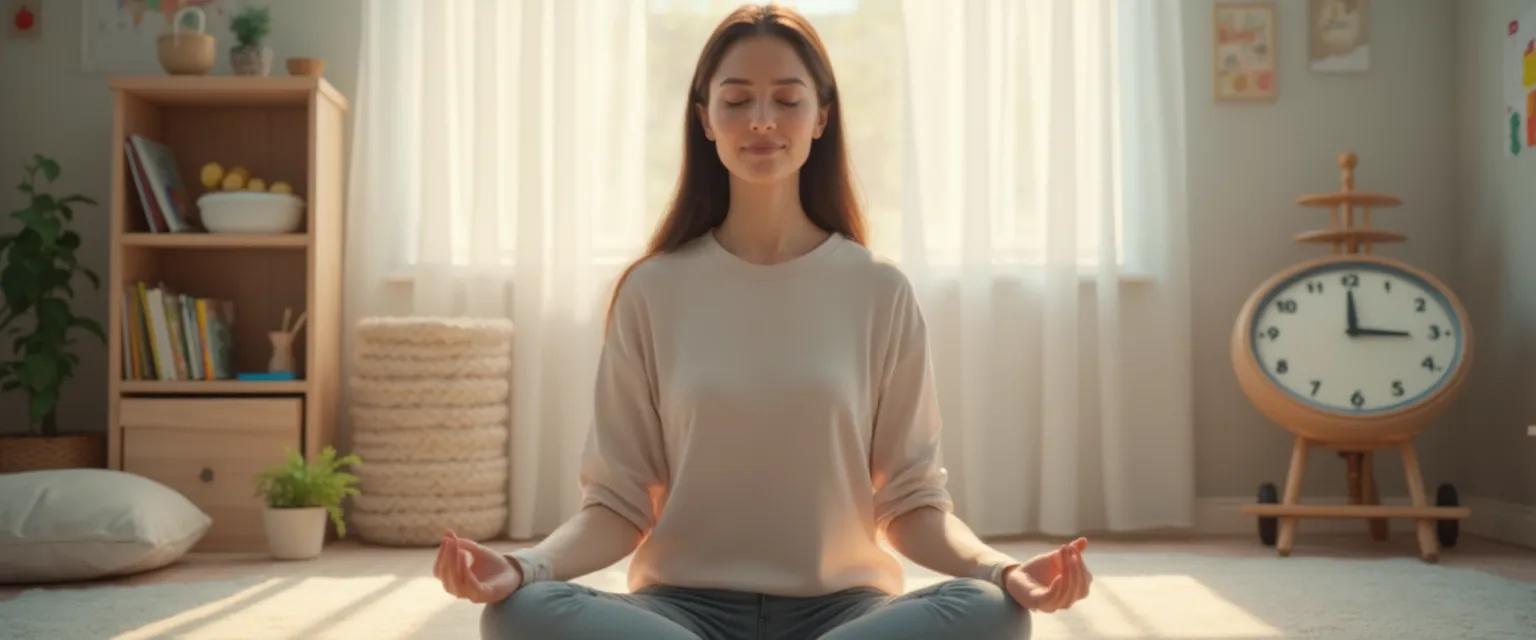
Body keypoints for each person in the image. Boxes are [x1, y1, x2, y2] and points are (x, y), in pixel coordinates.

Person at [435, 4, 1093, 638]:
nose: (761, 120)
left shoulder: (878, 290)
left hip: (844, 611)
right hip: (679, 612)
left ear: (821, 118)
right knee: (521, 612)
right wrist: (527, 566)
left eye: (786, 98)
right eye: (736, 98)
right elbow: (619, 502)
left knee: (990, 611)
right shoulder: (653, 290)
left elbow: (912, 500)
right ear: (704, 117)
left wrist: (1001, 570)